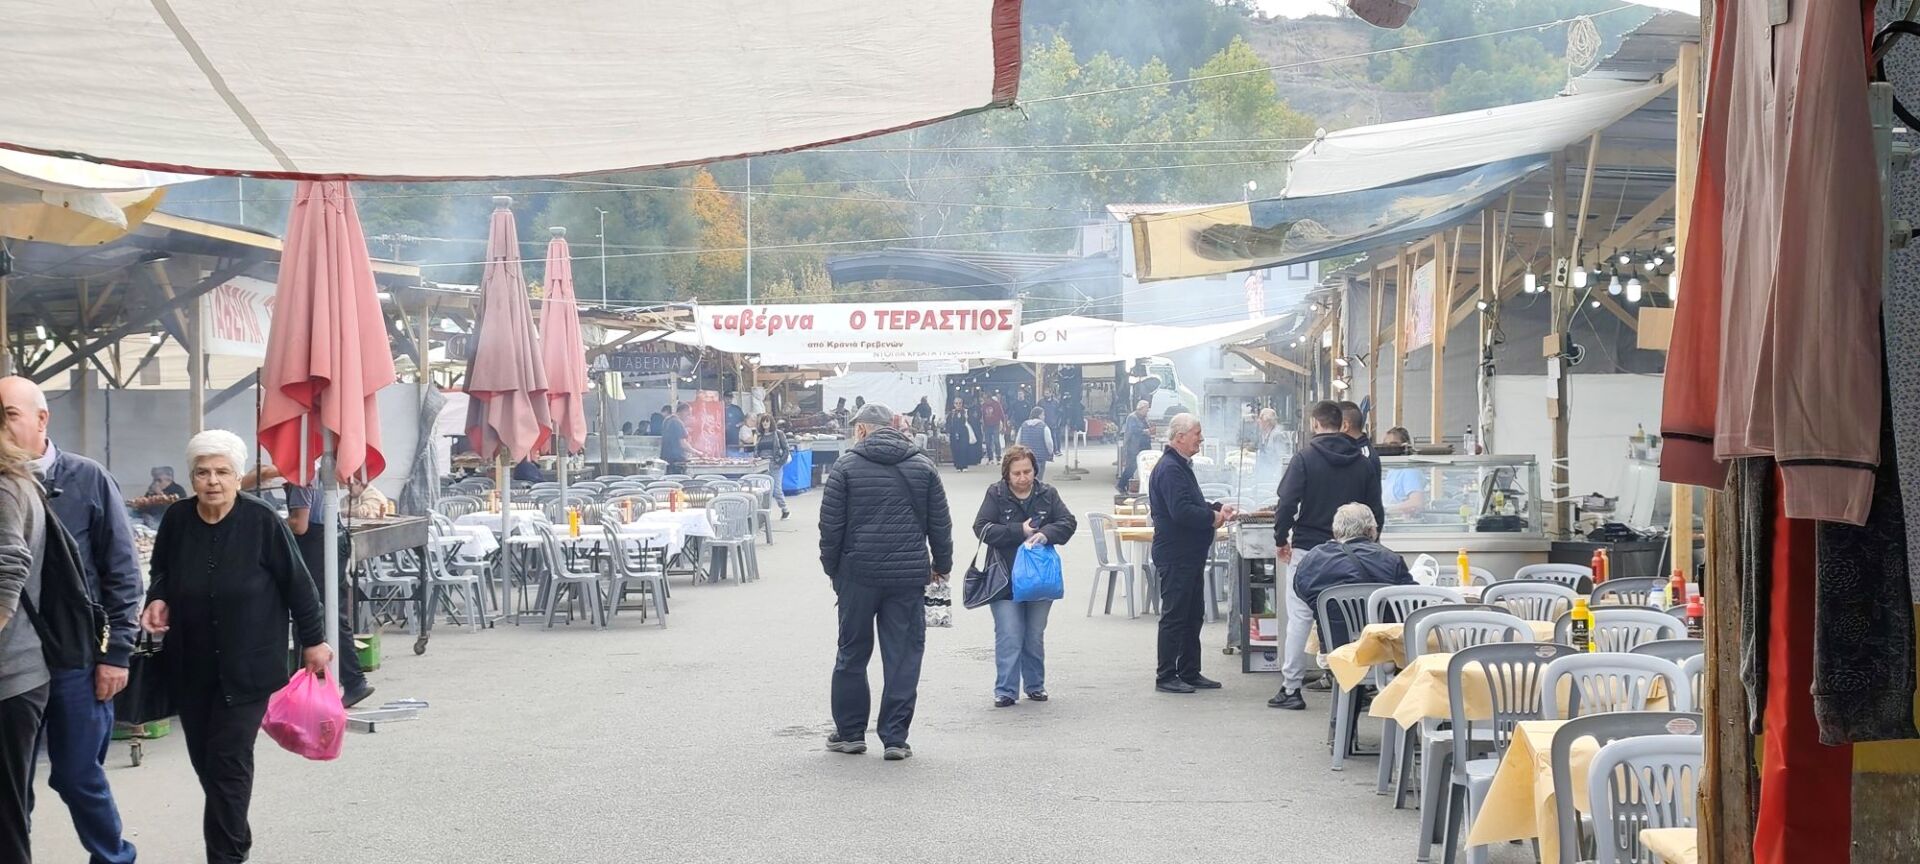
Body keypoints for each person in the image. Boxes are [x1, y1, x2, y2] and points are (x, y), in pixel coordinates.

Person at [140, 430, 332, 864]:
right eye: (202, 472)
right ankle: (235, 839)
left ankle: (226, 856)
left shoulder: (261, 521)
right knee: (206, 763)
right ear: (191, 477)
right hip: (190, 665)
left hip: (249, 666)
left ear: (237, 476)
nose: (212, 481)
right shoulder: (177, 519)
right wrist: (158, 597)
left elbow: (299, 585)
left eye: (222, 472)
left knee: (228, 761)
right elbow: (161, 570)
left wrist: (314, 641)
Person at [0, 376, 139, 863]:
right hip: (17, 660)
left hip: (75, 656)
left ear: (42, 419)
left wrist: (117, 653)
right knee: (12, 787)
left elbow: (122, 570)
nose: (2, 427)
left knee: (78, 775)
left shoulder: (87, 477)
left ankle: (113, 858)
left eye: (9, 415)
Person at [818, 403, 952, 761]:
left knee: (852, 652)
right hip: (907, 577)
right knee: (903, 656)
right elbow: (940, 523)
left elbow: (830, 527)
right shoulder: (923, 465)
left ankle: (850, 733)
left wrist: (833, 570)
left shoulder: (845, 467)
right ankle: (895, 737)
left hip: (857, 575)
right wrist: (942, 565)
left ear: (862, 430)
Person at [1269, 400, 1383, 709]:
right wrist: (1371, 547)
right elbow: (1376, 510)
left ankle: (1291, 688)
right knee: (1350, 618)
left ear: (1315, 424)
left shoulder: (1304, 459)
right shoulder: (1362, 462)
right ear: (1341, 423)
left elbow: (1287, 503)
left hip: (1308, 550)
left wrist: (1281, 538)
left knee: (1300, 618)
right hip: (1352, 552)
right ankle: (1354, 686)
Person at [1272, 504, 1415, 711]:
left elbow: (1302, 591)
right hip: (1383, 649)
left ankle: (1337, 716)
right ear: (1371, 530)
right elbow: (1410, 598)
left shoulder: (1315, 559)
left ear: (1336, 530)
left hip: (1336, 648)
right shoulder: (1390, 559)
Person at [972, 444, 1076, 707]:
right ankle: (1006, 690)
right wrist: (1019, 530)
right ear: (1006, 474)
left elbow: (1068, 522)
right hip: (1004, 577)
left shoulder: (1047, 493)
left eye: (1027, 472)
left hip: (1039, 577)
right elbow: (981, 528)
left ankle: (1035, 685)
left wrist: (1046, 534)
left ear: (1034, 470)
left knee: (1034, 634)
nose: (1022, 478)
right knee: (1009, 633)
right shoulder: (996, 493)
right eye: (1016, 473)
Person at [267, 467, 373, 708]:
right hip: (331, 539)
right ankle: (338, 682)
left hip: (317, 545)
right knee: (331, 614)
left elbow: (299, 524)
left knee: (312, 612)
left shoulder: (302, 475)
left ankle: (339, 682)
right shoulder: (315, 470)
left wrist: (274, 523)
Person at [1150, 413, 1233, 693]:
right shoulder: (1170, 469)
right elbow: (1181, 511)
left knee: (1192, 614)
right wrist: (1212, 518)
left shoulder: (1181, 465)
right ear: (1180, 437)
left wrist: (1217, 507)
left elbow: (1191, 501)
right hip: (1176, 554)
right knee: (1175, 616)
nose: (1201, 438)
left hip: (1189, 554)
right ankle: (1166, 675)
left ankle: (1189, 670)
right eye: (1197, 433)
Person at [1379, 427, 1428, 518]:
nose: (1389, 448)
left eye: (1393, 444)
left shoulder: (1409, 470)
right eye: (1385, 445)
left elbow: (1416, 503)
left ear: (1405, 446)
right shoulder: (1392, 469)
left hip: (1404, 522)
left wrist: (1386, 511)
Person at [750, 413, 792, 519]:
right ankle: (763, 513)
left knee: (776, 490)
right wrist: (756, 458)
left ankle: (785, 509)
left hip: (775, 464)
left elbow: (786, 449)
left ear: (771, 422)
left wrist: (780, 462)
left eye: (767, 421)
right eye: (763, 421)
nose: (765, 423)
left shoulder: (778, 434)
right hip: (762, 465)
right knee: (762, 490)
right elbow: (756, 449)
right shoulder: (760, 436)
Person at [1117, 400, 1152, 494]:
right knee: (1131, 467)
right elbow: (1133, 430)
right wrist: (1145, 431)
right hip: (1134, 446)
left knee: (1145, 466)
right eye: (1146, 409)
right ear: (1141, 408)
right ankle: (1121, 485)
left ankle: (1144, 486)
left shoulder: (1144, 418)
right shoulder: (1132, 417)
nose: (1147, 411)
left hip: (1144, 445)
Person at [1015, 407, 1056, 482]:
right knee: (1038, 479)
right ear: (1039, 415)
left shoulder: (1023, 425)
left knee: (1027, 477)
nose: (1044, 417)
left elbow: (1018, 441)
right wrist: (1050, 452)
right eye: (1043, 415)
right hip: (1040, 457)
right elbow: (1049, 442)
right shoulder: (1044, 426)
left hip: (1026, 456)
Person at [660, 402, 701, 476]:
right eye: (688, 414)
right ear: (683, 411)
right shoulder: (677, 422)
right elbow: (683, 444)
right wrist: (696, 452)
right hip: (676, 461)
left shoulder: (667, 420)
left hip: (666, 459)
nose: (689, 416)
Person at [946, 406, 981, 471]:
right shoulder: (951, 414)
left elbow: (972, 421)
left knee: (964, 449)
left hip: (964, 432)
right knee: (956, 449)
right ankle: (958, 466)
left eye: (959, 403)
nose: (958, 405)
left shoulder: (966, 412)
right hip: (954, 433)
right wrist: (948, 432)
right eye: (956, 403)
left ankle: (964, 465)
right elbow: (948, 423)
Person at [979, 391, 1005, 461]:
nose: (984, 400)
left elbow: (1002, 415)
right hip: (987, 426)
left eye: (985, 398)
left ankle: (998, 455)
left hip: (995, 425)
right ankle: (990, 457)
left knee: (996, 441)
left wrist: (1004, 426)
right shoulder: (984, 405)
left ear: (989, 398)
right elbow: (982, 416)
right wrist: (983, 425)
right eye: (983, 398)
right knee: (987, 442)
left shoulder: (996, 404)